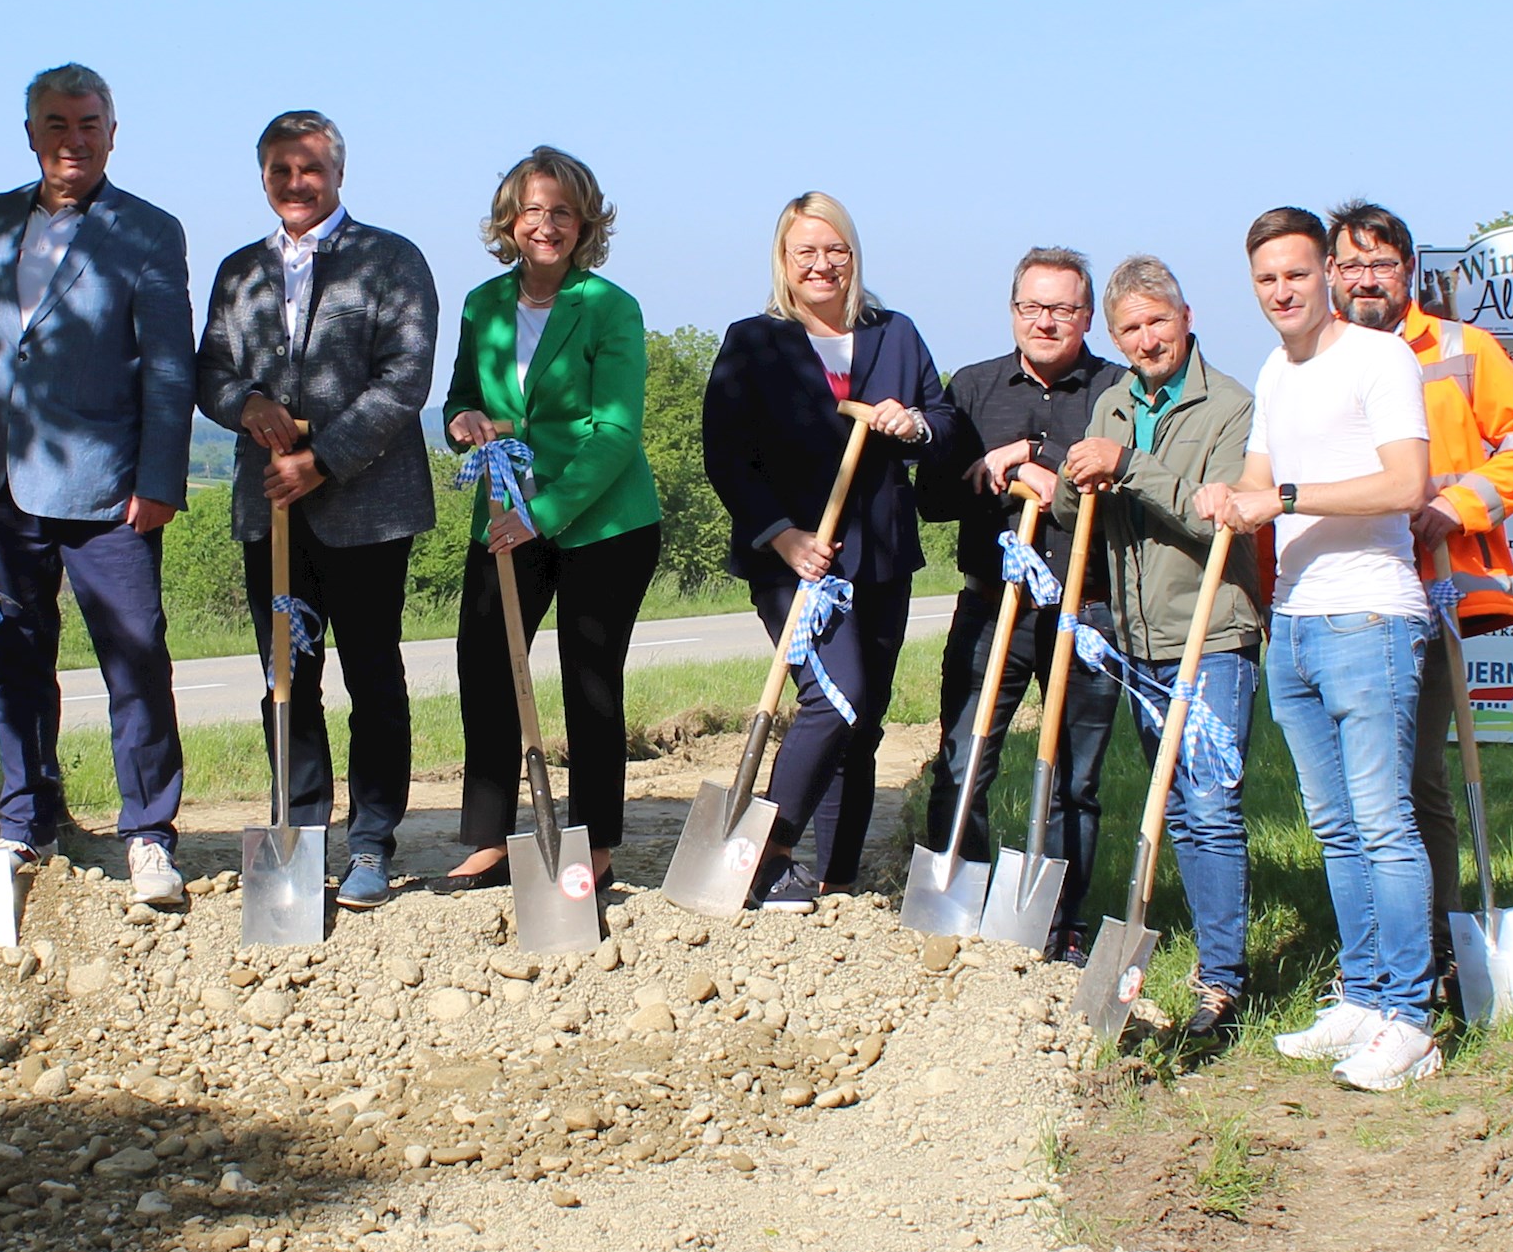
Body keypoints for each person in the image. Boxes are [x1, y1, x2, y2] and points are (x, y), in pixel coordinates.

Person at [0, 63, 197, 909]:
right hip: (6, 484)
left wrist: (158, 478)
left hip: (109, 490)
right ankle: (28, 817)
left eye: (88, 124)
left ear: (112, 133)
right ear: (31, 133)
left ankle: (151, 835)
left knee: (136, 661)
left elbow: (168, 366)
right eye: (56, 123)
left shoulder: (149, 231)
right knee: (14, 660)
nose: (72, 139)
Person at [1207, 206, 1440, 1090]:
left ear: (1331, 275)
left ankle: (1413, 1019)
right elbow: (1259, 481)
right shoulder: (1274, 368)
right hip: (1295, 622)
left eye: (1297, 275)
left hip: (1369, 617)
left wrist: (1285, 497)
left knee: (1384, 824)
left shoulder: (1380, 358)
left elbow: (1405, 480)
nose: (1282, 292)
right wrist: (1225, 495)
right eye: (1266, 279)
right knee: (1336, 827)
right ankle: (1367, 994)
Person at [195, 109, 439, 911]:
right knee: (285, 677)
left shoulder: (391, 259)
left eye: (310, 169)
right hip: (272, 515)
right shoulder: (238, 271)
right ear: (262, 175)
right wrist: (249, 403)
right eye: (279, 170)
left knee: (373, 675)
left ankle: (371, 840)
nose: (295, 184)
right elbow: (211, 373)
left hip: (367, 509)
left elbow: (405, 379)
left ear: (339, 172)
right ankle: (298, 831)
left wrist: (322, 459)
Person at [1327, 201, 1513, 1013]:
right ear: (1330, 274)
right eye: (1351, 265)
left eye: (1381, 263)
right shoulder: (1316, 356)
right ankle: (1373, 951)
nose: (1366, 279)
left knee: (1416, 777)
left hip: (1429, 593)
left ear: (1409, 270)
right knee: (1351, 789)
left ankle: (1432, 946)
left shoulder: (1461, 350)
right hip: (1340, 597)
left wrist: (1459, 504)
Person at [699, 193, 953, 911]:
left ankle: (835, 875)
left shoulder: (894, 333)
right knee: (833, 699)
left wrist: (916, 426)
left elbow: (944, 419)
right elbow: (725, 453)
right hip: (794, 560)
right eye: (804, 251)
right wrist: (782, 534)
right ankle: (767, 852)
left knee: (865, 717)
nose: (822, 263)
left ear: (854, 252)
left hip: (881, 555)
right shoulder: (754, 339)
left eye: (834, 248)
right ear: (783, 260)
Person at [442, 147, 663, 897]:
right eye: (532, 210)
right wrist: (463, 418)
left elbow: (616, 434)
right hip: (504, 515)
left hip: (604, 523)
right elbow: (459, 398)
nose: (546, 224)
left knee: (587, 679)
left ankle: (595, 842)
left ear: (585, 223)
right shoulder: (481, 305)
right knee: (485, 665)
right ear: (509, 221)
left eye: (562, 211)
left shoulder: (611, 308)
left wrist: (544, 515)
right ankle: (491, 838)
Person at [1058, 257, 1267, 1036]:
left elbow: (1221, 517)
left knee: (1210, 804)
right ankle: (1191, 956)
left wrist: (1130, 467)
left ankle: (1222, 984)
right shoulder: (1112, 403)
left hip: (1212, 631)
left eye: (1157, 321)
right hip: (1140, 639)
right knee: (1174, 806)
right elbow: (1082, 508)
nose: (1146, 339)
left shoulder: (1234, 407)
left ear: (1185, 316)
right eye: (1130, 328)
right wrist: (1070, 479)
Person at [914, 245, 1123, 944]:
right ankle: (959, 907)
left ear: (1086, 314)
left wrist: (1042, 459)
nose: (1045, 320)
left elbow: (1128, 488)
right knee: (963, 763)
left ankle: (1060, 923)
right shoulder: (972, 388)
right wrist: (987, 472)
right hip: (991, 607)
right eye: (1032, 306)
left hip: (1086, 614)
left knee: (1072, 782)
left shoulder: (1116, 393)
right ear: (1012, 311)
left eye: (1062, 308)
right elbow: (932, 499)